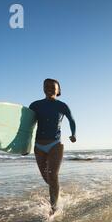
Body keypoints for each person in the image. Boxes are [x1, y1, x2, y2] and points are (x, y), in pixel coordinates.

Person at [29, 78, 76, 214]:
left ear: (58, 90)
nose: (49, 88)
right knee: (47, 179)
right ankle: (57, 193)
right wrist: (23, 144)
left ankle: (54, 209)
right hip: (39, 145)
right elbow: (27, 125)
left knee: (53, 175)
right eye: (46, 86)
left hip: (55, 144)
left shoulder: (62, 106)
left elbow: (71, 120)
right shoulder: (35, 105)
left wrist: (73, 134)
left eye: (52, 86)